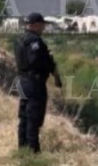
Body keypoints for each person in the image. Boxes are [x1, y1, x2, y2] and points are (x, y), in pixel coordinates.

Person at [14, 12, 62, 153]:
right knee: (34, 116)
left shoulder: (19, 39)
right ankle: (33, 150)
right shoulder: (35, 41)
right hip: (34, 82)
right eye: (41, 25)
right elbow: (35, 61)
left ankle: (22, 147)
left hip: (22, 80)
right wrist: (48, 63)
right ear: (34, 25)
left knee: (24, 115)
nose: (43, 28)